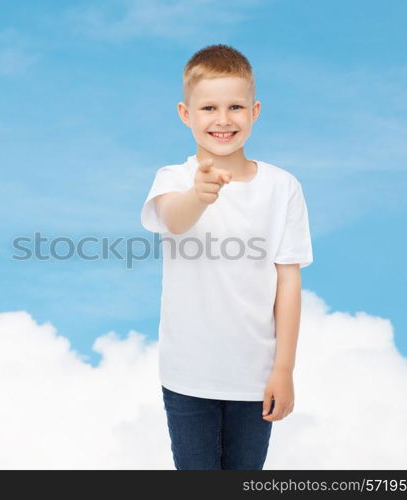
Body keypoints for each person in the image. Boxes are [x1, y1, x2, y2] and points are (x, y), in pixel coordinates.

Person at [140, 44, 314, 470]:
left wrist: (284, 370)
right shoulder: (174, 179)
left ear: (255, 111)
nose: (222, 119)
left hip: (256, 378)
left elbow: (287, 281)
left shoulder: (282, 186)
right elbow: (173, 219)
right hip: (187, 375)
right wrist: (199, 195)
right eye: (209, 108)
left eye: (235, 106)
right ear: (186, 113)